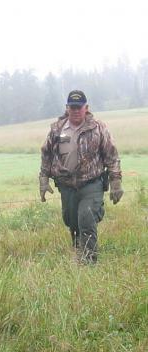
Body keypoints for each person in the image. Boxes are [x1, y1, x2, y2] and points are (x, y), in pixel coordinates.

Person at [39, 90, 123, 263]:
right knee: (72, 221)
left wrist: (116, 182)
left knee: (86, 217)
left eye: (80, 107)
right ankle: (78, 252)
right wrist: (43, 180)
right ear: (67, 108)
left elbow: (111, 155)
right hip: (66, 185)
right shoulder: (56, 129)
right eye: (73, 107)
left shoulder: (98, 128)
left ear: (87, 108)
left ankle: (89, 261)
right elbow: (46, 154)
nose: (76, 110)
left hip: (91, 183)